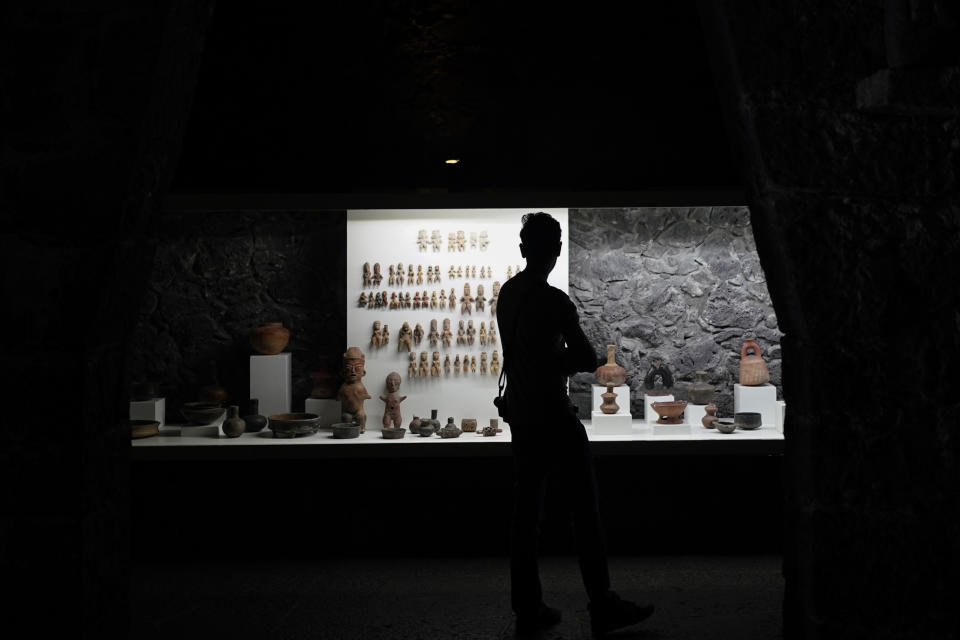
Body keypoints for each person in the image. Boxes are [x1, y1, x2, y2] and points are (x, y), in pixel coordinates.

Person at [496, 212, 654, 636]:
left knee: (525, 510)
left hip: (523, 412)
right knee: (584, 508)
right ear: (557, 250)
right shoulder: (554, 302)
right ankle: (602, 602)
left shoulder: (507, 294)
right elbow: (585, 357)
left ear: (524, 248)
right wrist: (555, 361)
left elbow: (517, 355)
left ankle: (527, 605)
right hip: (552, 411)